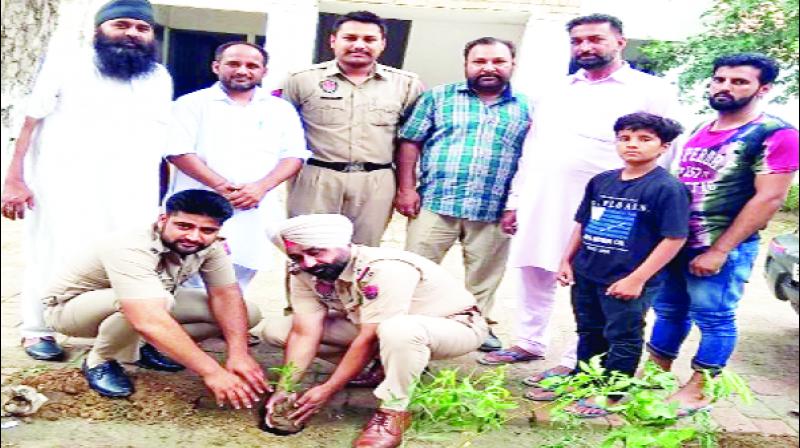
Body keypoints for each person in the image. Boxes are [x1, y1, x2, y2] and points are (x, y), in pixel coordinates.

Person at [479, 14, 681, 383]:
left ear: (620, 42)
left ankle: (580, 358)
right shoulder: (558, 89)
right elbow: (533, 145)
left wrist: (648, 202)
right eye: (577, 41)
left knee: (592, 279)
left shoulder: (651, 89)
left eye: (595, 39)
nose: (585, 47)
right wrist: (515, 199)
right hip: (542, 197)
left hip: (611, 206)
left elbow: (664, 149)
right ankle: (529, 340)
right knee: (533, 269)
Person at [0, 0, 173, 361]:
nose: (132, 34)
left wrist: (161, 195)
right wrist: (13, 180)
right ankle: (37, 329)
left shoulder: (158, 77)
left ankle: (127, 335)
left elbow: (160, 140)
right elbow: (28, 121)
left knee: (130, 259)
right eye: (121, 25)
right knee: (52, 250)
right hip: (62, 182)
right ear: (99, 30)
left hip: (132, 188)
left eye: (142, 28)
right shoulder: (67, 64)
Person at [647, 53, 799, 415]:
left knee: (714, 316)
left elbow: (770, 196)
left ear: (764, 88)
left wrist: (720, 250)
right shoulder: (701, 128)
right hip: (678, 243)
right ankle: (654, 375)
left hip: (722, 247)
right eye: (719, 79)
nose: (725, 87)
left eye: (739, 81)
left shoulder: (776, 134)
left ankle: (701, 388)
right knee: (668, 310)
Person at [260, 214, 489, 448]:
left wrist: (329, 388)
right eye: (297, 256)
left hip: (453, 327)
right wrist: (285, 388)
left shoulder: (384, 268)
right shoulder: (305, 271)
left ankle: (394, 411)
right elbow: (304, 333)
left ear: (343, 244)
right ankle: (386, 370)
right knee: (278, 329)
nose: (308, 263)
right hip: (373, 326)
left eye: (316, 252)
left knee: (399, 330)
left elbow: (369, 338)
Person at [41, 189, 267, 406]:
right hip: (70, 311)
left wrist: (238, 353)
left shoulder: (210, 245)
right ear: (163, 219)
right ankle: (100, 361)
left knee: (248, 313)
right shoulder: (130, 245)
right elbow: (146, 317)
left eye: (207, 230)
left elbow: (226, 295)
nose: (194, 236)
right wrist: (212, 371)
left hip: (147, 305)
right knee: (154, 306)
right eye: (184, 226)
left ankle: (144, 345)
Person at [395, 37, 531, 352]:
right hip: (435, 202)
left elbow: (531, 159)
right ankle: (410, 327)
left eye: (498, 61)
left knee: (484, 277)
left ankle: (477, 328)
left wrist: (518, 204)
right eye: (479, 61)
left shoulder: (526, 108)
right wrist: (406, 188)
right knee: (417, 269)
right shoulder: (437, 98)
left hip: (493, 208)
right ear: (467, 64)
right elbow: (410, 141)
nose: (489, 68)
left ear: (512, 65)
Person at [556, 112, 689, 416]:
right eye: (625, 138)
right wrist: (566, 260)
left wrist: (637, 279)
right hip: (588, 272)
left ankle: (612, 395)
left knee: (623, 336)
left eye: (644, 139)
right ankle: (585, 381)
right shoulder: (601, 181)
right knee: (589, 331)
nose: (632, 145)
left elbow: (674, 238)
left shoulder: (667, 188)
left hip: (627, 280)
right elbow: (582, 224)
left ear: (663, 147)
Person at [166, 41, 309, 291]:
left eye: (252, 65)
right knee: (188, 275)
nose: (243, 70)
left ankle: (223, 326)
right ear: (216, 66)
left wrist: (260, 188)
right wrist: (223, 188)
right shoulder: (191, 104)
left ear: (264, 72)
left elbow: (295, 156)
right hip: (199, 204)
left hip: (254, 207)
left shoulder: (280, 110)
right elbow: (178, 152)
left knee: (239, 276)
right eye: (233, 63)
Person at [283, 11, 425, 246]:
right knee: (307, 249)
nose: (359, 45)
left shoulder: (407, 85)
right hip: (317, 178)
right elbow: (281, 133)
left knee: (364, 254)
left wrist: (406, 188)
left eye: (369, 40)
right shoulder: (300, 81)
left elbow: (410, 142)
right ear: (333, 41)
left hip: (376, 181)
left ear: (382, 44)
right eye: (350, 38)